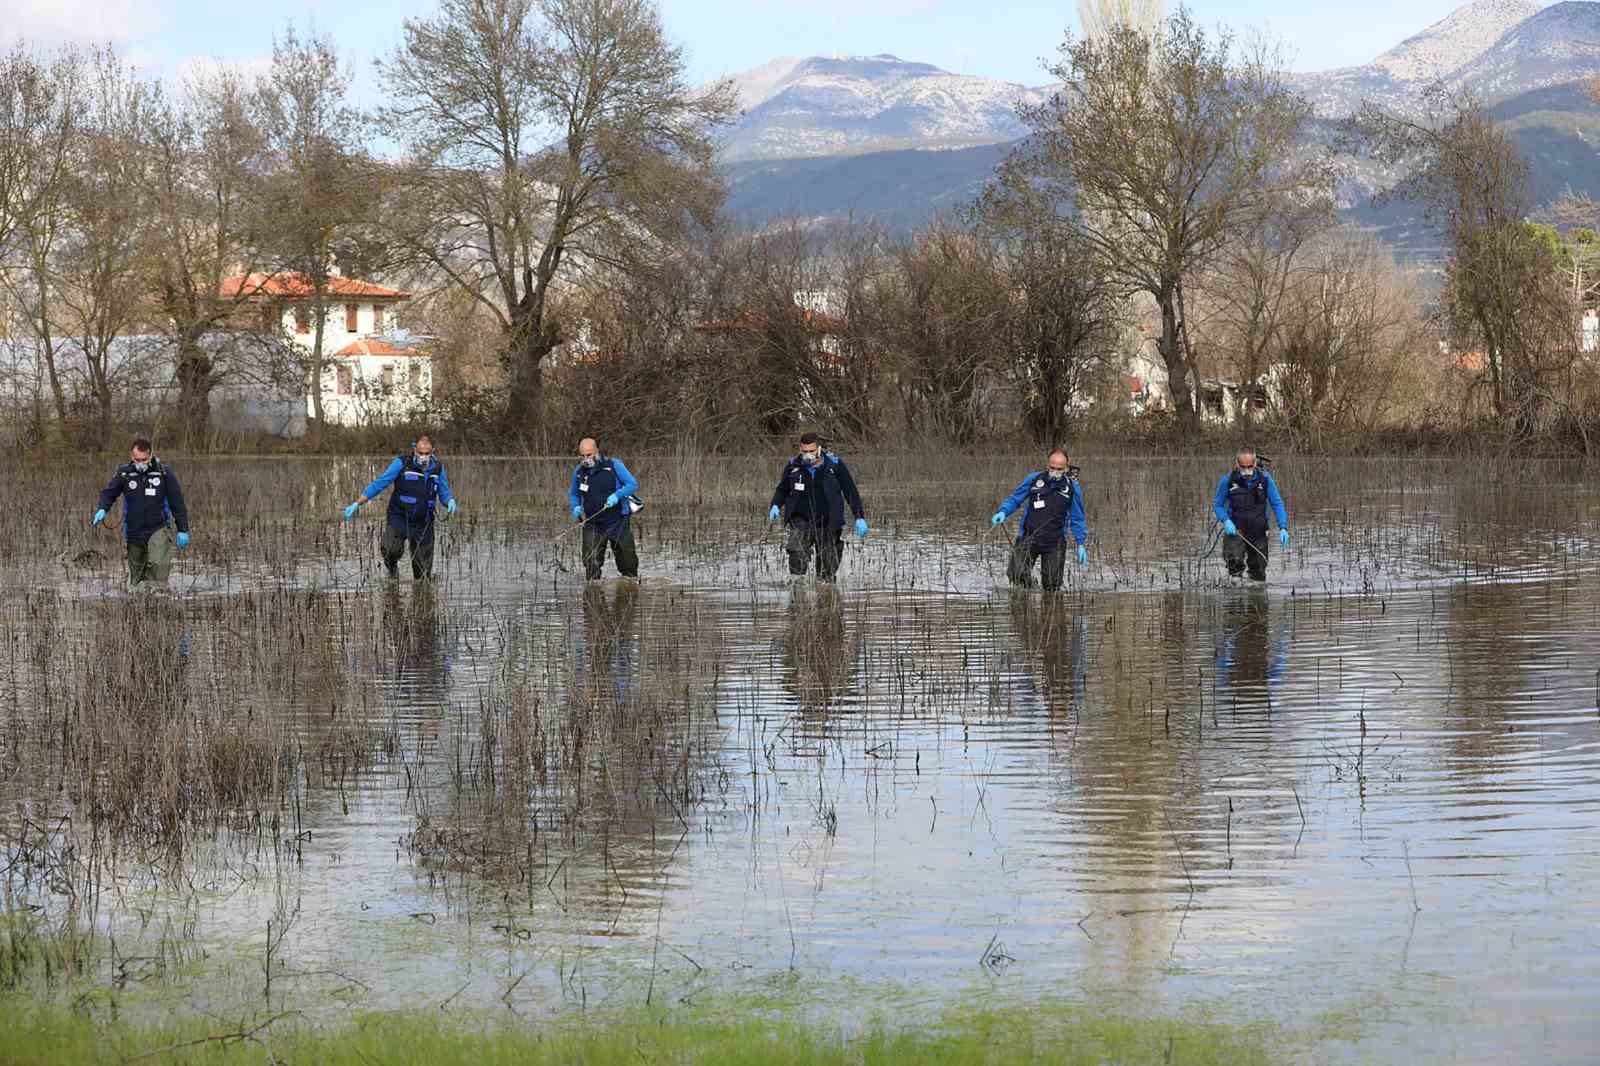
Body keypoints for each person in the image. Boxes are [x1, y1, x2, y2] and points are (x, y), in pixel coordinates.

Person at [341, 434, 457, 579]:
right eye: (421, 453)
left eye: (427, 453)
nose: (424, 456)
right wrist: (357, 503)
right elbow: (380, 483)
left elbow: (444, 492)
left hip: (424, 522)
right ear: (415, 449)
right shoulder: (402, 463)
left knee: (422, 577)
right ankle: (392, 569)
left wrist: (450, 501)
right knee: (390, 549)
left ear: (432, 451)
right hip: (400, 517)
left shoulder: (438, 468)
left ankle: (422, 596)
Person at [768, 432, 868, 582]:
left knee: (827, 569)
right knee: (796, 552)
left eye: (811, 451)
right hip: (801, 519)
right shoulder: (793, 465)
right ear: (800, 449)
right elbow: (782, 489)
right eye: (804, 451)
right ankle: (797, 590)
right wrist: (775, 505)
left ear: (819, 449)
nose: (808, 455)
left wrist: (859, 517)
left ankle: (826, 595)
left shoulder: (835, 465)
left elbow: (850, 491)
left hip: (828, 521)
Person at [94, 436, 190, 589]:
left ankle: (158, 599)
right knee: (136, 579)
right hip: (134, 529)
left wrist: (183, 529)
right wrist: (102, 508)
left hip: (158, 527)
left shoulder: (163, 473)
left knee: (158, 568)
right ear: (132, 456)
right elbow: (109, 493)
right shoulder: (124, 473)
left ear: (150, 455)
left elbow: (177, 502)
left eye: (144, 459)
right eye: (137, 459)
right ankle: (139, 604)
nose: (140, 463)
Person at [990, 449, 1087, 592]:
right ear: (1048, 465)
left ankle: (1047, 607)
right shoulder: (1034, 479)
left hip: (1055, 542)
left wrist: (1080, 543)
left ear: (1066, 468)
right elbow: (1015, 499)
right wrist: (1003, 512)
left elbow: (1077, 517)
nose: (1055, 471)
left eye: (1059, 469)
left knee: (1051, 586)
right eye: (1052, 467)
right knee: (1016, 574)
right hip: (1029, 536)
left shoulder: (1073, 488)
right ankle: (1030, 590)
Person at [1212, 447, 1289, 582]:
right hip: (1235, 531)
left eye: (1249, 466)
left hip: (1259, 531)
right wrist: (1226, 520)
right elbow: (1217, 505)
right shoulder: (1227, 481)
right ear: (1237, 464)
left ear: (1254, 464)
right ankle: (1236, 596)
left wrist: (1283, 527)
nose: (1246, 469)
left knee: (1258, 571)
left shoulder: (1265, 480)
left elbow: (1277, 504)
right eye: (1243, 466)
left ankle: (1257, 598)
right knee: (1234, 567)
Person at [569, 438, 640, 581]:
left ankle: (629, 587)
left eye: (588, 455)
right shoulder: (579, 471)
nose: (585, 459)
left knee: (628, 563)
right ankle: (593, 591)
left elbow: (632, 484)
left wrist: (617, 495)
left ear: (596, 452)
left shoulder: (614, 465)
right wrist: (575, 506)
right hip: (593, 523)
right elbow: (574, 493)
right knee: (591, 562)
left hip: (618, 521)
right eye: (582, 456)